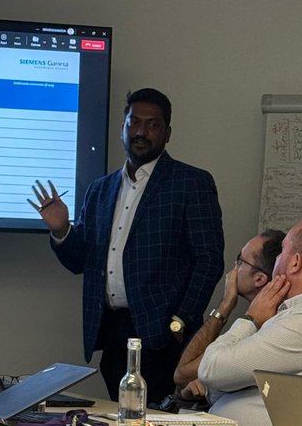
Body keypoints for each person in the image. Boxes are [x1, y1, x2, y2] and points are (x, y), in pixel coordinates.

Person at [28, 88, 224, 403]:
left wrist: (181, 320)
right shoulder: (100, 189)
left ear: (167, 133)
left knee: (160, 424)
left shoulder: (191, 183)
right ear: (124, 127)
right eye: (134, 123)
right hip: (112, 331)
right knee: (124, 419)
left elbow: (209, 260)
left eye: (152, 125)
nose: (141, 132)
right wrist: (62, 229)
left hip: (164, 335)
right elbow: (81, 262)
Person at [197, 220, 302, 426]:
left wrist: (250, 319)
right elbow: (218, 383)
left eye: (282, 251)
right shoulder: (286, 315)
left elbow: (210, 370)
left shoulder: (297, 322)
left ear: (295, 262)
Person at [168, 229, 285, 410]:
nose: (234, 267)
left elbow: (182, 373)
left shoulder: (265, 325)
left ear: (259, 278)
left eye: (240, 261)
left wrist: (225, 305)